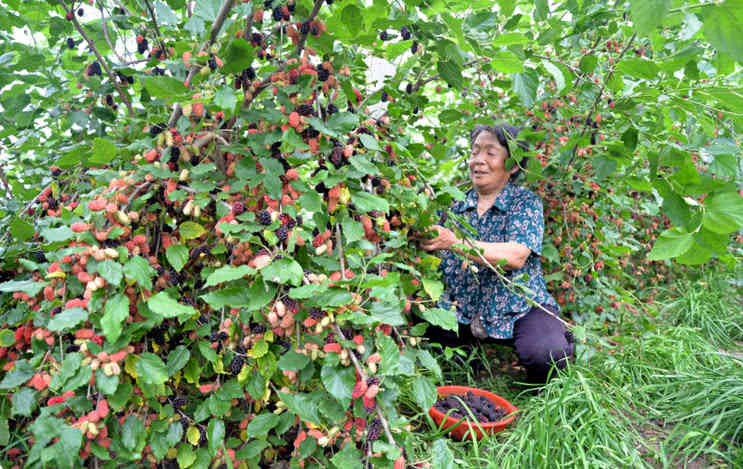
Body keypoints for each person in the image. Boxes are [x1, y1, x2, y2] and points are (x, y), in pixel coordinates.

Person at [416, 123, 573, 384]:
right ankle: (466, 365)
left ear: (511, 165)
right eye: (475, 151)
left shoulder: (525, 203)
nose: (479, 160)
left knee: (547, 352)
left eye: (490, 153)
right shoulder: (455, 204)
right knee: (421, 322)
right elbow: (432, 246)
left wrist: (455, 243)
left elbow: (515, 256)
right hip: (461, 307)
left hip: (519, 307)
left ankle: (541, 387)